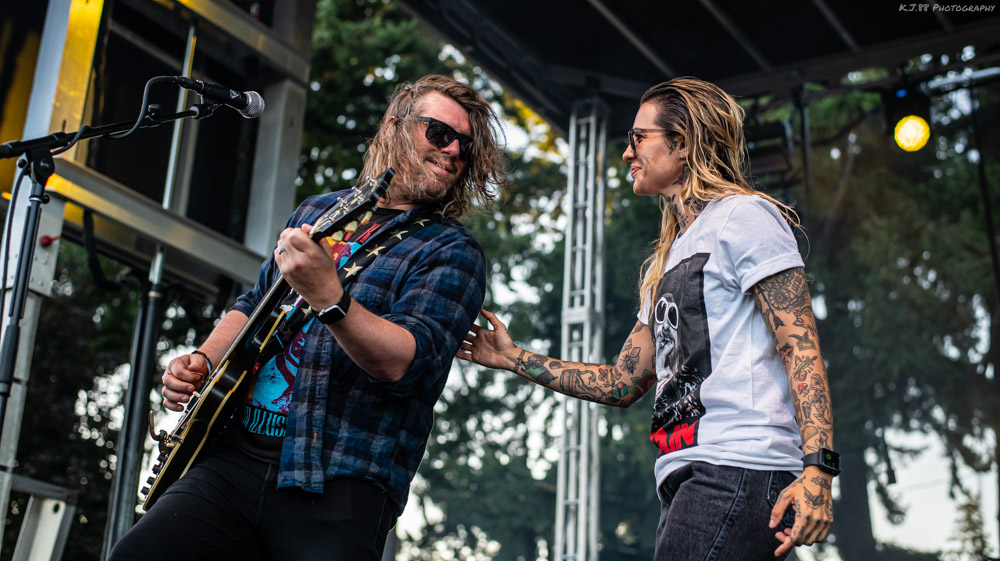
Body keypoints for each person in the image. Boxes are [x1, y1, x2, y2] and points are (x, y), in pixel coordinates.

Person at [110, 74, 507, 561]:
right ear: (397, 126)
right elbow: (255, 303)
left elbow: (406, 362)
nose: (453, 152)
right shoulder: (321, 210)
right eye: (439, 133)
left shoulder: (453, 250)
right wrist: (201, 362)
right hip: (231, 456)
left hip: (339, 481)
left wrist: (331, 298)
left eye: (465, 146)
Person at [458, 77, 835, 560]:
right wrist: (514, 359)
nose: (626, 153)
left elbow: (799, 346)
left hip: (738, 465)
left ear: (682, 144)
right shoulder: (669, 260)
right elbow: (621, 383)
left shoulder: (745, 217)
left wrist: (818, 472)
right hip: (691, 474)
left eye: (639, 138)